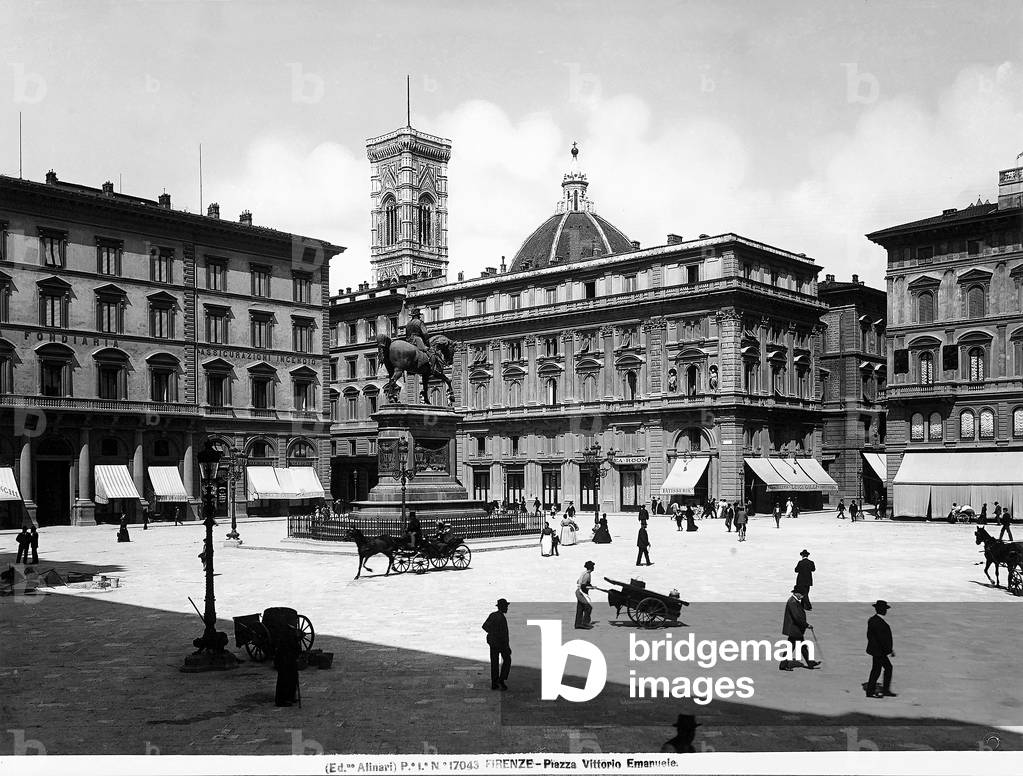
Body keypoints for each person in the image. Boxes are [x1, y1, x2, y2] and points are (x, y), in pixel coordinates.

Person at [864, 599, 896, 698]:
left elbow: (869, 636)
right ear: (881, 610)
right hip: (879, 651)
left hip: (877, 650)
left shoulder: (873, 620)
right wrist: (889, 650)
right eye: (885, 609)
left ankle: (873, 690)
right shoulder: (878, 622)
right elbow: (882, 638)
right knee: (880, 669)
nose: (886, 611)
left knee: (878, 669)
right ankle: (873, 691)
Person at [780, 589, 818, 671]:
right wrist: (806, 625)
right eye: (801, 594)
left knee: (802, 646)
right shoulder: (792, 602)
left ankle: (810, 662)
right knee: (791, 648)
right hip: (794, 629)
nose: (802, 596)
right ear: (796, 593)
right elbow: (797, 617)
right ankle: (783, 665)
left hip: (795, 629)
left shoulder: (794, 601)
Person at [482, 598, 511, 691]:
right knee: (507, 660)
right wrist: (507, 646)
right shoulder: (501, 618)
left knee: (494, 663)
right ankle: (501, 679)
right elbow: (504, 635)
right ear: (502, 607)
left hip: (493, 643)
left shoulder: (493, 615)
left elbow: (485, 626)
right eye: (506, 606)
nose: (507, 608)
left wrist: (492, 633)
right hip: (501, 644)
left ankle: (494, 683)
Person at [274, 622, 301, 707]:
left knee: (292, 678)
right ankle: (281, 700)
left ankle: (290, 697)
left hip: (288, 660)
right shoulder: (288, 636)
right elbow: (296, 649)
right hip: (285, 661)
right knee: (284, 680)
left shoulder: (290, 634)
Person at [575, 561, 595, 629]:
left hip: (579, 592)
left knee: (580, 608)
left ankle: (578, 624)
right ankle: (585, 623)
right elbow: (584, 586)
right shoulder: (587, 575)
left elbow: (578, 581)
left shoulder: (584, 573)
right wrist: (591, 587)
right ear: (591, 567)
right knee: (588, 607)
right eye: (593, 566)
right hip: (582, 593)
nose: (594, 568)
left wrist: (590, 586)